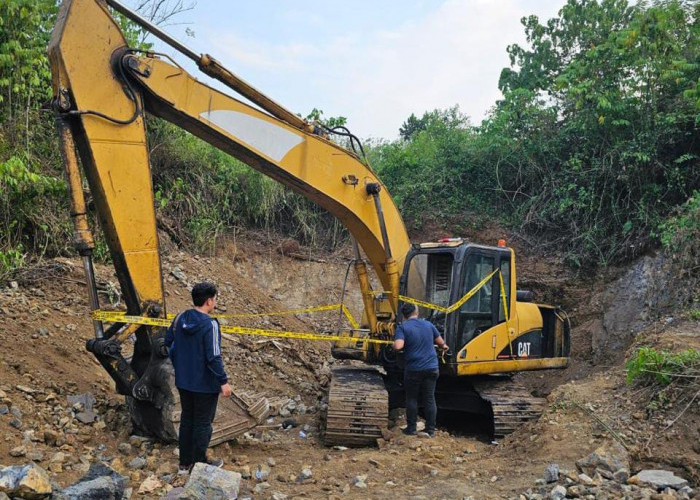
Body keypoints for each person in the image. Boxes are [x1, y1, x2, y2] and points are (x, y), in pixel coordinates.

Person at [164, 281, 232, 473]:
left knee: (187, 419)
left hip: (184, 381)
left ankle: (184, 464)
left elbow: (167, 343)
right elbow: (213, 356)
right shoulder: (210, 325)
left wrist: (180, 364)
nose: (215, 302)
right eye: (215, 299)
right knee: (203, 423)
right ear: (209, 301)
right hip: (204, 384)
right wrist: (223, 381)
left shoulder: (180, 318)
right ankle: (200, 463)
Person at [393, 302, 449, 437]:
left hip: (414, 369)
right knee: (429, 398)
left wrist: (395, 343)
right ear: (416, 312)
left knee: (412, 398)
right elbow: (442, 344)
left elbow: (398, 346)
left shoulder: (403, 327)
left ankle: (411, 429)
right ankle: (430, 430)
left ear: (404, 315)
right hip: (432, 368)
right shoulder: (429, 325)